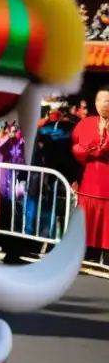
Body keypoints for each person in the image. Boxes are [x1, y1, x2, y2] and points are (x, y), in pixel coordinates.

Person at [72, 87, 109, 263]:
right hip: (89, 183)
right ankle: (87, 258)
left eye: (108, 100)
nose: (105, 104)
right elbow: (73, 147)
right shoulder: (85, 124)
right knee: (88, 225)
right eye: (101, 99)